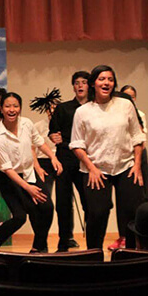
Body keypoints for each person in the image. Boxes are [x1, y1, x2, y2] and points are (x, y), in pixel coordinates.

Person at [70, 65, 146, 250]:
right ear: (93, 84)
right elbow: (77, 144)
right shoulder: (83, 111)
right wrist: (91, 168)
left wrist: (137, 165)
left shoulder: (125, 105)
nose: (106, 83)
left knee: (132, 211)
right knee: (98, 211)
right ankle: (93, 254)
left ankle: (129, 253)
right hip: (95, 167)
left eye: (110, 79)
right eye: (102, 79)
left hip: (126, 165)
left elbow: (137, 136)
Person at [0, 92, 62, 252]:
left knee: (46, 207)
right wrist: (28, 188)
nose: (12, 109)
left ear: (20, 108)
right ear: (1, 109)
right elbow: (8, 169)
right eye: (7, 106)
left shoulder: (26, 124)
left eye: (15, 106)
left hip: (29, 172)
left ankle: (38, 247)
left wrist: (52, 157)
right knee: (20, 217)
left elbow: (40, 142)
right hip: (9, 178)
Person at [48, 71, 90, 251]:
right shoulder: (63, 108)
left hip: (87, 160)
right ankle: (64, 241)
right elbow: (52, 131)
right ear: (73, 86)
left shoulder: (95, 108)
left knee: (89, 202)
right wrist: (53, 136)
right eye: (77, 83)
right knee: (63, 203)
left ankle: (93, 242)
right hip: (65, 158)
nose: (80, 86)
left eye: (84, 82)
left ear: (90, 86)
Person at [120, 84, 148, 230]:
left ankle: (142, 231)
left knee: (142, 193)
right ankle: (123, 234)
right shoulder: (117, 114)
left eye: (131, 97)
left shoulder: (140, 114)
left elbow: (141, 137)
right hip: (124, 156)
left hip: (138, 154)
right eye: (126, 96)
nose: (129, 99)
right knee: (123, 198)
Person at [30, 89, 62, 194]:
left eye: (55, 108)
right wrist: (37, 167)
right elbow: (32, 149)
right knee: (45, 193)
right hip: (43, 162)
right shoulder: (38, 126)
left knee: (64, 196)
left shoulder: (65, 125)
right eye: (49, 108)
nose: (52, 111)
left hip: (61, 160)